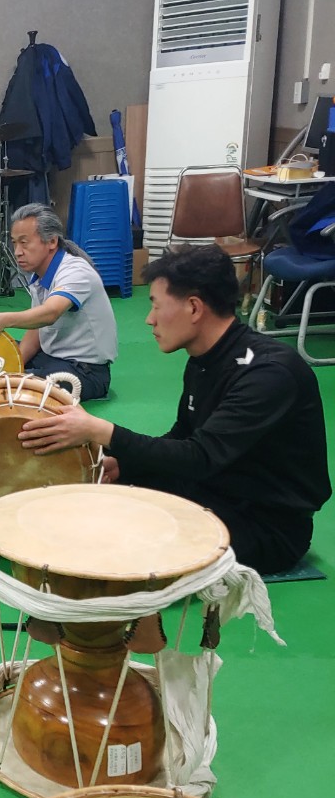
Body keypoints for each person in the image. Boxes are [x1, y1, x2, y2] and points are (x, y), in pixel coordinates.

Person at [19, 245, 330, 577]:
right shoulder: (205, 359)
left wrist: (100, 431)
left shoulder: (267, 374)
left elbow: (200, 457)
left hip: (265, 525)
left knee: (109, 538)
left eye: (156, 305)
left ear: (194, 307)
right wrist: (124, 466)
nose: (149, 319)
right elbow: (182, 437)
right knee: (89, 504)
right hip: (213, 490)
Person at [0, 203, 118, 400]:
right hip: (51, 357)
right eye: (14, 243)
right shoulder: (40, 275)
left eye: (24, 243)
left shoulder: (75, 271)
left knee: (4, 389)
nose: (17, 251)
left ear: (52, 241)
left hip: (86, 372)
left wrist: (3, 319)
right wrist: (13, 365)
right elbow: (38, 330)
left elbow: (50, 313)